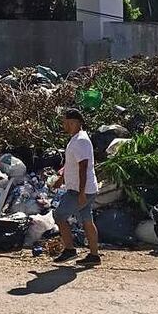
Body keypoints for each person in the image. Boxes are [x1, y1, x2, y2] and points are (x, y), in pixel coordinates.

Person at [52, 109, 100, 265]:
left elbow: (83, 167)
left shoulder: (80, 141)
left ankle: (70, 250)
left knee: (59, 216)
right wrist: (61, 178)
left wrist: (81, 193)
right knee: (87, 220)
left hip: (79, 190)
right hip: (83, 189)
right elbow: (72, 164)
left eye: (65, 122)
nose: (63, 125)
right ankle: (94, 256)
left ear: (73, 122)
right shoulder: (77, 139)